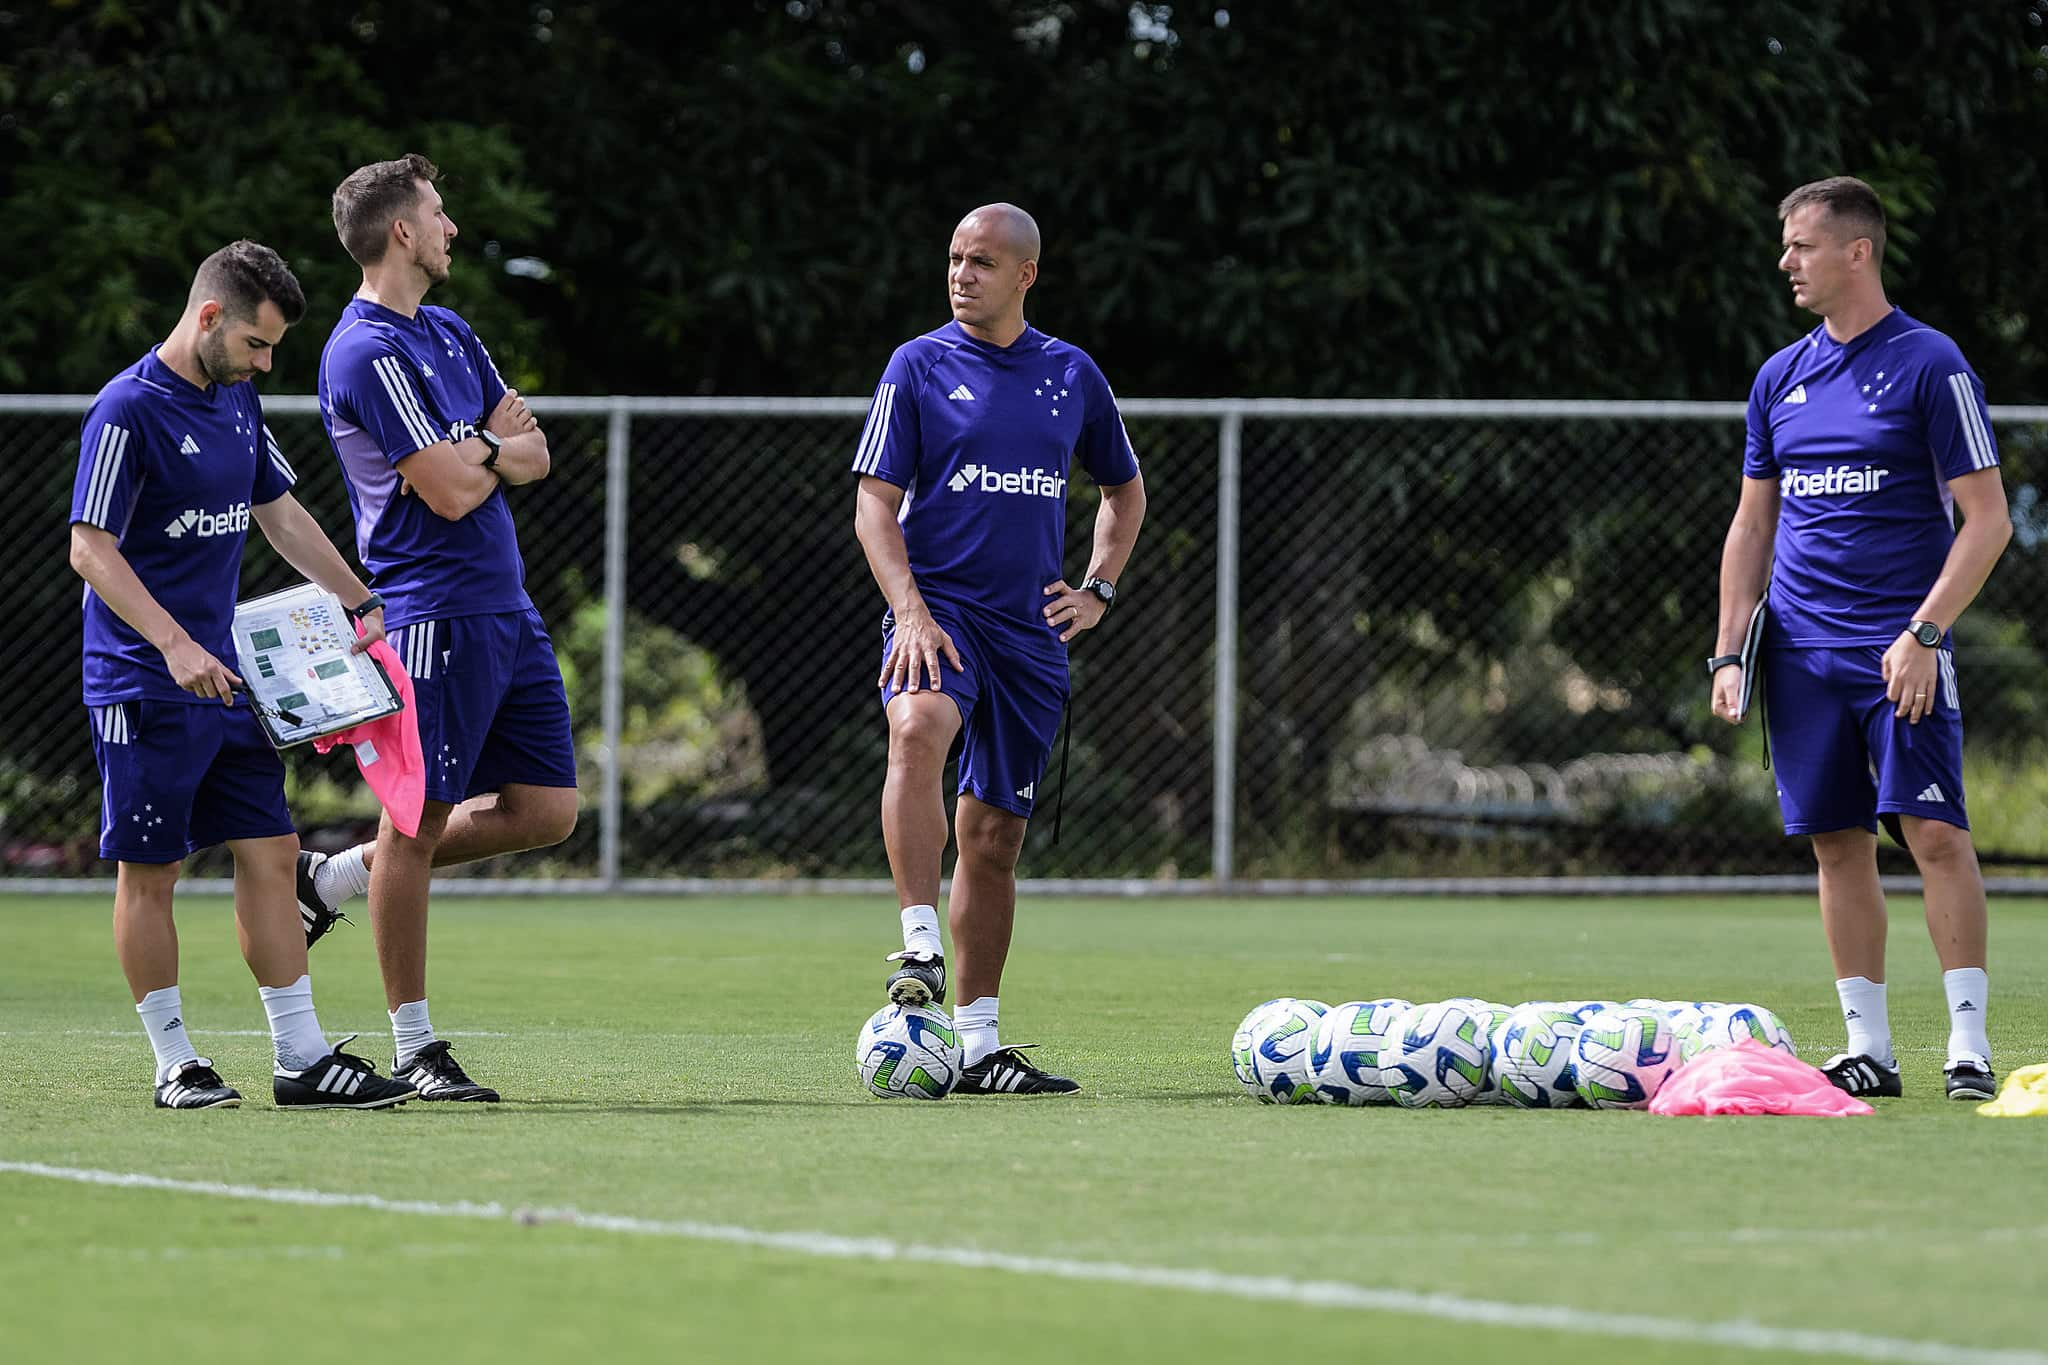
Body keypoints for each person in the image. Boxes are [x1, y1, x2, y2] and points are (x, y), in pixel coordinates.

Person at [67, 240, 416, 1111]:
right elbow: (89, 547)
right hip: (145, 684)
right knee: (153, 872)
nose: (265, 362)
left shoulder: (237, 399)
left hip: (232, 683)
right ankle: (175, 1061)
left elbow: (279, 512)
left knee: (273, 851)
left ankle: (300, 1057)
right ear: (211, 317)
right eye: (258, 345)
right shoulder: (126, 409)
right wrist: (175, 646)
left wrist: (359, 600)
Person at [1712, 176, 2011, 1101]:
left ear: (1858, 251)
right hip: (1800, 659)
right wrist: (1730, 650)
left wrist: (1926, 631)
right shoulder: (1779, 376)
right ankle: (1868, 1049)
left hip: (1899, 653)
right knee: (1835, 843)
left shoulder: (1932, 364)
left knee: (1933, 832)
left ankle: (1967, 1045)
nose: (1785, 262)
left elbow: (1989, 519)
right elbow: (1752, 527)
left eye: (1801, 246)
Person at [852, 203, 1147, 1095]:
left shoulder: (1071, 375)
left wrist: (1095, 591)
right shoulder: (917, 366)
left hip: (1029, 633)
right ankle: (918, 947)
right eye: (952, 258)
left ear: (1025, 274)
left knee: (994, 835)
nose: (960, 273)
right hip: (938, 611)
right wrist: (908, 610)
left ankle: (979, 1047)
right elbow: (874, 505)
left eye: (981, 261)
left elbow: (1124, 495)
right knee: (917, 729)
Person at [309, 153, 578, 1102]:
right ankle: (415, 1048)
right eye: (439, 212)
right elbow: (454, 489)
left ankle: (334, 877)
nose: (454, 227)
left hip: (504, 606)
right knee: (414, 824)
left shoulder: (453, 331)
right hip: (430, 612)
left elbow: (533, 453)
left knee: (548, 811)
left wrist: (488, 449)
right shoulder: (362, 350)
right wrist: (491, 449)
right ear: (401, 234)